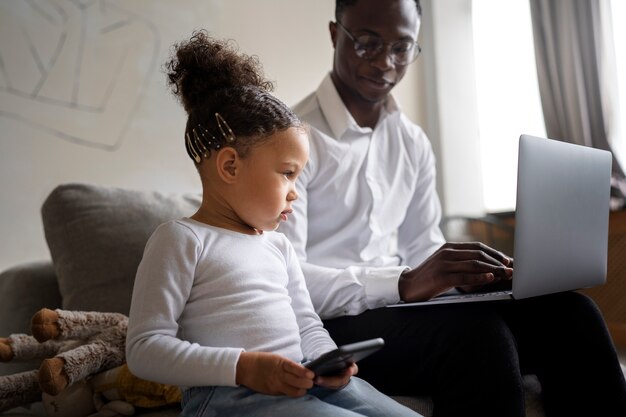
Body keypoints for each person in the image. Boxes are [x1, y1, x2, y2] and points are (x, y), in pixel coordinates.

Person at [278, 0, 626, 416]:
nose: (386, 62)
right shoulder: (291, 139)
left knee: (573, 314)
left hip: (402, 309)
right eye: (368, 43)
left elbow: (421, 245)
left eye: (402, 47)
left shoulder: (412, 143)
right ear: (336, 34)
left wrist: (467, 278)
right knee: (478, 336)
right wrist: (403, 282)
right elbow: (286, 276)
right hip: (329, 324)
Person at [125, 30, 424, 417]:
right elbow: (145, 348)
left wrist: (327, 361)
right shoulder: (181, 239)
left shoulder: (277, 246)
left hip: (304, 385)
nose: (295, 192)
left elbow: (306, 322)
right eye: (287, 174)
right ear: (230, 165)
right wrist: (244, 366)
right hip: (227, 396)